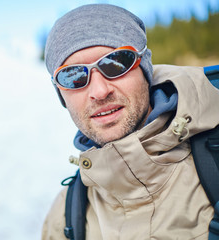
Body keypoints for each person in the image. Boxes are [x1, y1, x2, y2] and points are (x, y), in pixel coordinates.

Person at [42, 4, 219, 240]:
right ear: (61, 94)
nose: (99, 91)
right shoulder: (65, 216)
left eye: (115, 63)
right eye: (73, 76)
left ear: (144, 67)